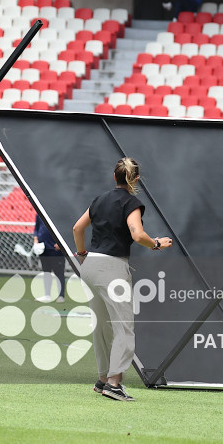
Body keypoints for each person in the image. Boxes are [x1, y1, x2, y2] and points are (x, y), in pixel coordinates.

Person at [72, 157, 172, 402]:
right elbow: (137, 234)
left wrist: (83, 253)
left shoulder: (99, 199)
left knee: (102, 326)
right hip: (112, 268)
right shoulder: (132, 203)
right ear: (135, 180)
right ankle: (114, 384)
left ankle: (103, 379)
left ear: (113, 177)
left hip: (90, 265)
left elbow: (77, 228)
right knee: (123, 327)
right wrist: (156, 244)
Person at [34, 214, 65, 303]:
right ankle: (47, 295)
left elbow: (65, 228)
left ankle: (61, 295)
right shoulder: (39, 212)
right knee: (46, 272)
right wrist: (36, 240)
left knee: (59, 272)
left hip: (55, 249)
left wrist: (61, 243)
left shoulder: (58, 213)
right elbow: (37, 227)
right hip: (43, 248)